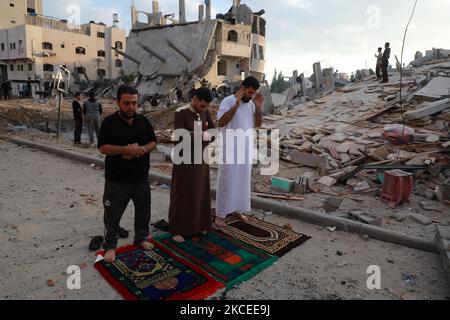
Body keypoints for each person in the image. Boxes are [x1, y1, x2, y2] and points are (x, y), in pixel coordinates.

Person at [98, 85, 158, 263]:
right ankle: (110, 246)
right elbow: (103, 148)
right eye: (126, 103)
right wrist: (125, 149)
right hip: (117, 180)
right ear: (118, 102)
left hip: (140, 179)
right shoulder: (109, 123)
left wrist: (141, 149)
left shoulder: (143, 121)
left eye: (134, 103)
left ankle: (141, 238)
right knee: (112, 214)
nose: (131, 107)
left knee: (143, 211)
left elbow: (153, 142)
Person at [214, 77, 264, 229]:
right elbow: (221, 122)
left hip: (245, 149)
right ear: (242, 88)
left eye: (253, 93)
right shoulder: (228, 101)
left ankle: (237, 210)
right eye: (249, 92)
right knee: (226, 180)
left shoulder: (251, 104)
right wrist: (235, 106)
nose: (251, 95)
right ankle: (220, 215)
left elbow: (258, 124)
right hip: (230, 149)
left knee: (242, 181)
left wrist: (259, 108)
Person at [168, 88, 215, 243]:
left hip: (201, 160)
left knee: (200, 192)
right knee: (182, 193)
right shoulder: (181, 113)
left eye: (206, 107)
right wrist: (202, 136)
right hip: (185, 161)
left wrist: (209, 136)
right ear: (194, 98)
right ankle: (177, 228)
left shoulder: (204, 112)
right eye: (201, 106)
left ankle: (199, 225)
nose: (203, 109)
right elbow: (178, 137)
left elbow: (212, 131)